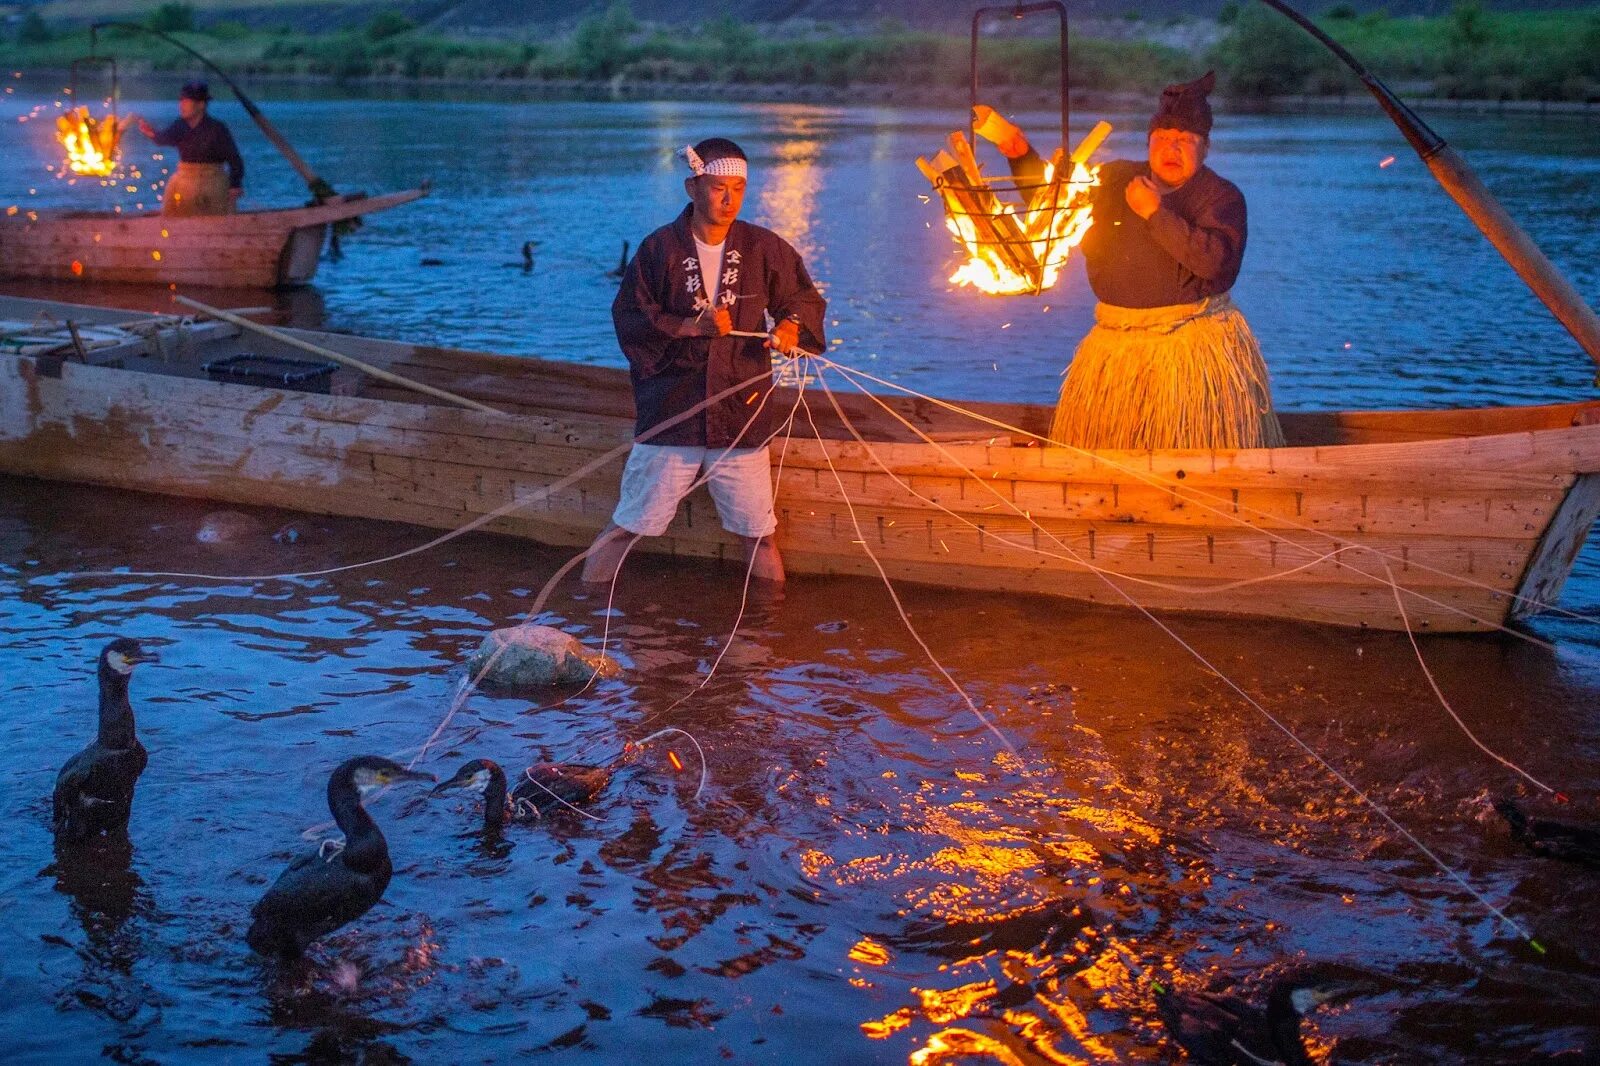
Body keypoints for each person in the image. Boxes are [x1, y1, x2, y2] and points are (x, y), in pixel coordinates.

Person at [975, 72, 1284, 450]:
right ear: (1149, 142)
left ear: (1205, 148)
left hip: (1190, 353)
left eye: (1185, 141)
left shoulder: (1222, 198)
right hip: (1114, 348)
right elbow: (1052, 206)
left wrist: (1155, 213)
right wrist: (1019, 153)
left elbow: (1215, 265)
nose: (1172, 149)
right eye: (1163, 139)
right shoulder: (1114, 178)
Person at [581, 137, 827, 585]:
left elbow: (802, 299)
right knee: (625, 529)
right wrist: (694, 327)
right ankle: (585, 615)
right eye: (717, 188)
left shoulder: (762, 247)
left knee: (760, 536)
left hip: (740, 414)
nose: (729, 199)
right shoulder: (660, 250)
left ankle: (767, 640)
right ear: (692, 187)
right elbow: (631, 317)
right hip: (673, 412)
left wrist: (790, 327)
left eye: (738, 188)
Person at [133, 80, 244, 217]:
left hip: (213, 181)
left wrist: (235, 184)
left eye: (187, 101)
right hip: (185, 179)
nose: (181, 105)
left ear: (201, 105)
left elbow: (235, 160)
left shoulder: (217, 129)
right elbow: (164, 138)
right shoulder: (180, 126)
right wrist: (151, 132)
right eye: (181, 101)